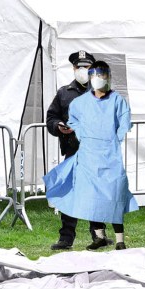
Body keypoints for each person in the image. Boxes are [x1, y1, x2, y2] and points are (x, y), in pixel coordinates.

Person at [44, 61, 138, 250]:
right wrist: (66, 129)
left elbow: (122, 122)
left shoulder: (113, 99)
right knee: (81, 194)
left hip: (105, 154)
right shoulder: (71, 97)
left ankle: (109, 238)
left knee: (107, 193)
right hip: (81, 153)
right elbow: (61, 119)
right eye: (95, 76)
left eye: (101, 76)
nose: (98, 79)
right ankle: (80, 237)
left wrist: (113, 140)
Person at [46, 50, 95, 250]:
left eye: (86, 67)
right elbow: (51, 117)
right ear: (74, 68)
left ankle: (98, 235)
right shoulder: (64, 92)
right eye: (79, 67)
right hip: (72, 150)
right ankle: (66, 238)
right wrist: (58, 125)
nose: (82, 70)